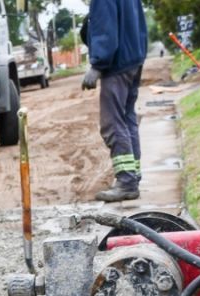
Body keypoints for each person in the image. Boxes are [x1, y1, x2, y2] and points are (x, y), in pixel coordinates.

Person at [80, 0, 148, 202]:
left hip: (117, 66)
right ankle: (132, 175)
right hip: (133, 60)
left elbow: (105, 27)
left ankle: (127, 182)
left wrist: (97, 64)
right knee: (127, 120)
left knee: (113, 123)